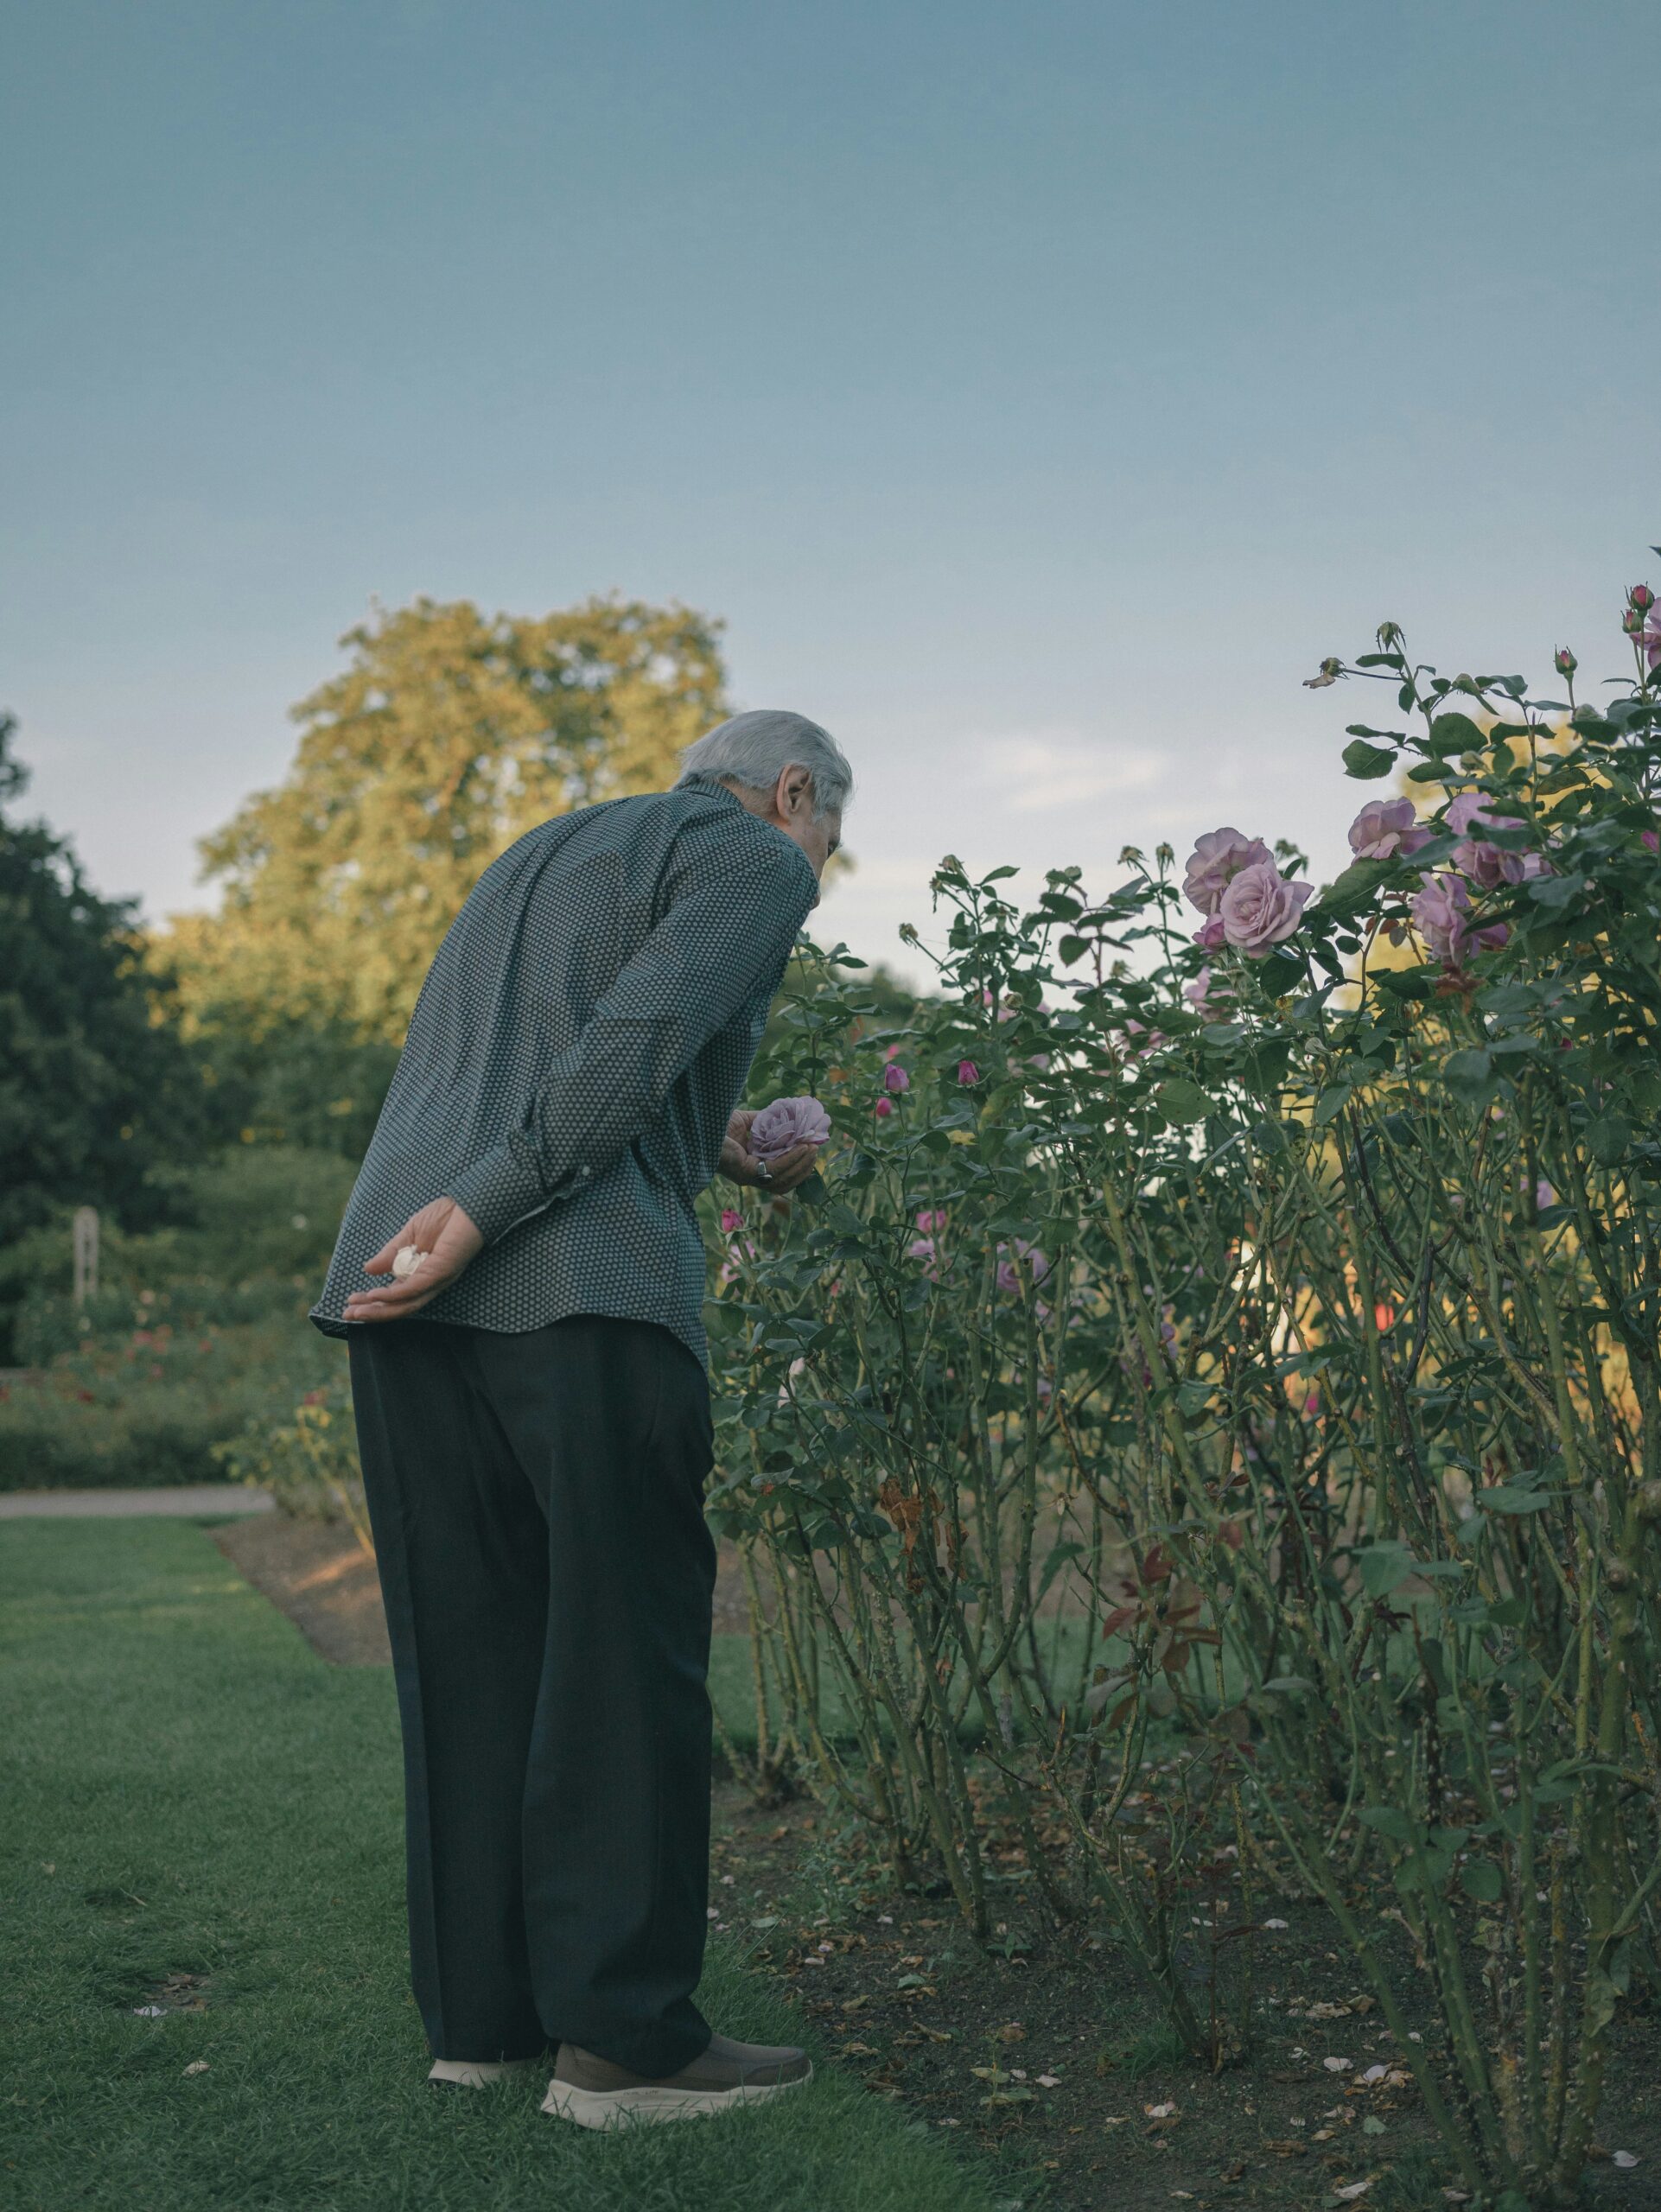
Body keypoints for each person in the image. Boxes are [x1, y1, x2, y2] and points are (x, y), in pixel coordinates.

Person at [310, 709, 850, 2126]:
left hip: (393, 1273)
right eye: (828, 838)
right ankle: (625, 2049)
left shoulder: (540, 852)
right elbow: (645, 1027)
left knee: (470, 1651)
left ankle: (482, 2025)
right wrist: (488, 1211)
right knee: (621, 1658)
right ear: (792, 793)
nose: (817, 868)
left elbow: (519, 1062)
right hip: (577, 1283)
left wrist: (719, 1144)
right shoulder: (752, 855)